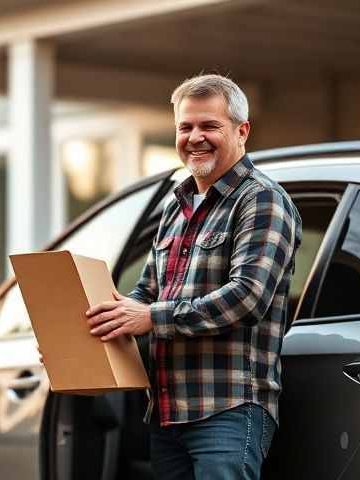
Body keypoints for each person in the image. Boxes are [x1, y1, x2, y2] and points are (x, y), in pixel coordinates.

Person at [85, 74, 302, 479]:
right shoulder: (176, 207)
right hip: (167, 413)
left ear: (242, 131)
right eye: (185, 127)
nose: (195, 137)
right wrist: (86, 335)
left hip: (228, 410)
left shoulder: (262, 199)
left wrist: (151, 318)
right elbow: (144, 295)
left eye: (209, 126)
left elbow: (247, 297)